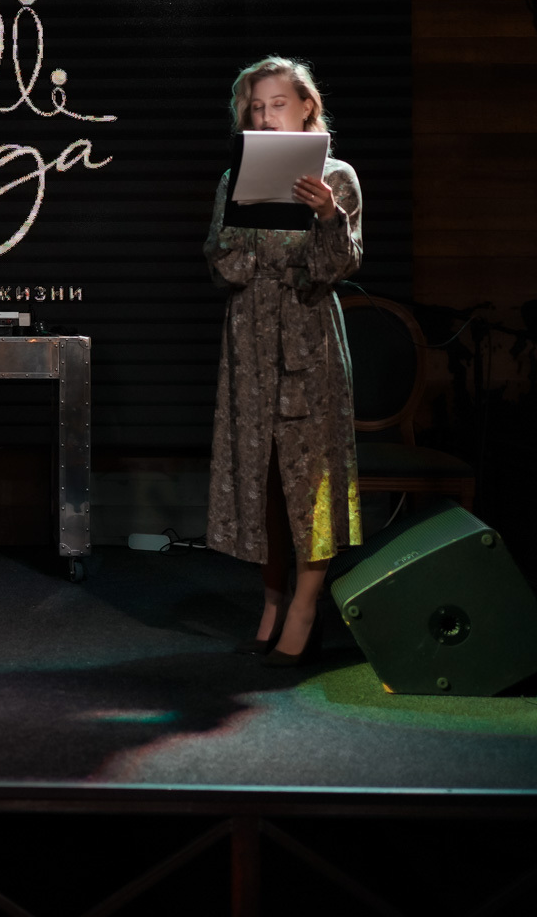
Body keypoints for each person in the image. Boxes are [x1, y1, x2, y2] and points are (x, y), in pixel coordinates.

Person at [203, 57, 362, 667]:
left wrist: (326, 216)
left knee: (311, 482)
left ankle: (305, 606)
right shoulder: (233, 177)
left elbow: (336, 267)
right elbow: (224, 264)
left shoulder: (336, 177)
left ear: (306, 107)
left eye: (277, 104)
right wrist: (244, 225)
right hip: (249, 342)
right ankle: (271, 602)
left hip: (307, 340)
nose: (266, 116)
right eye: (256, 106)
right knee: (262, 480)